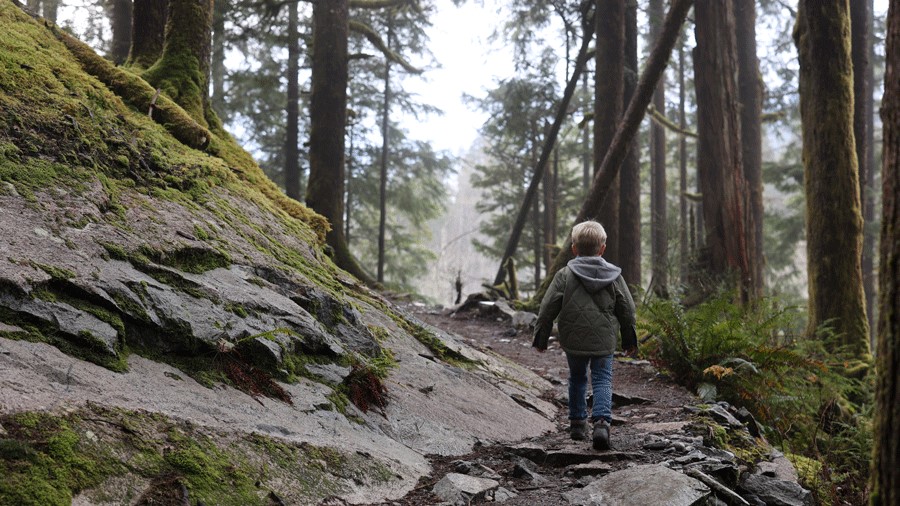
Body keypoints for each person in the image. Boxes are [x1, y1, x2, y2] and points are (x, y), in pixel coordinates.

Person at [533, 220, 637, 450]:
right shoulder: (614, 276)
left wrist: (541, 337)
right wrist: (630, 338)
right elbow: (627, 310)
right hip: (604, 339)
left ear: (574, 248)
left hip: (574, 338)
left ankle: (578, 423)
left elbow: (547, 306)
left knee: (577, 378)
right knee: (602, 379)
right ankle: (601, 423)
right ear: (602, 248)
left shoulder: (564, 275)